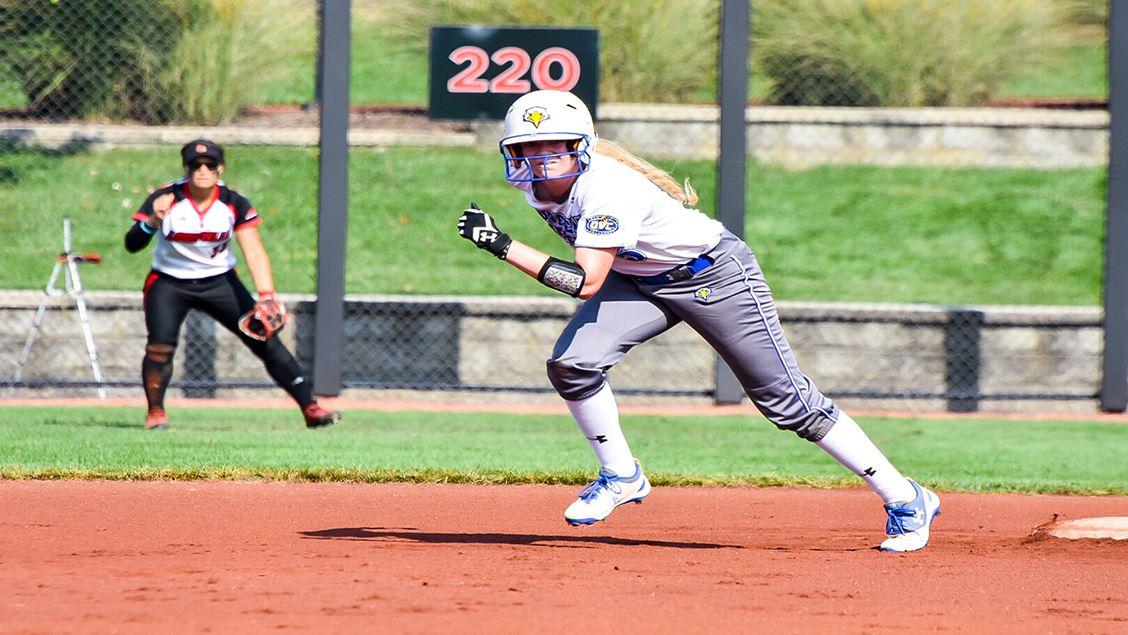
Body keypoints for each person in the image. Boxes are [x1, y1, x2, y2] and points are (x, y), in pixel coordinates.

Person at [457, 90, 940, 552]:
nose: (539, 157)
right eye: (526, 147)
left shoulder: (607, 189)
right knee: (572, 365)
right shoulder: (532, 188)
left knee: (787, 402)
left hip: (712, 275)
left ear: (579, 145)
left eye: (551, 145)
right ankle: (621, 475)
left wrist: (503, 246)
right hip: (639, 279)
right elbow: (601, 270)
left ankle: (906, 497)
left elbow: (584, 282)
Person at [124, 139, 340, 431]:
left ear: (220, 169)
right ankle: (156, 413)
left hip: (219, 281)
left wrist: (266, 295)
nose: (203, 170)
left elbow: (253, 249)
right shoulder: (165, 198)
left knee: (264, 339)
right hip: (169, 282)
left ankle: (310, 408)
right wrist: (152, 220)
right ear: (186, 169)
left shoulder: (232, 202)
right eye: (195, 165)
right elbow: (131, 244)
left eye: (210, 165)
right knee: (160, 347)